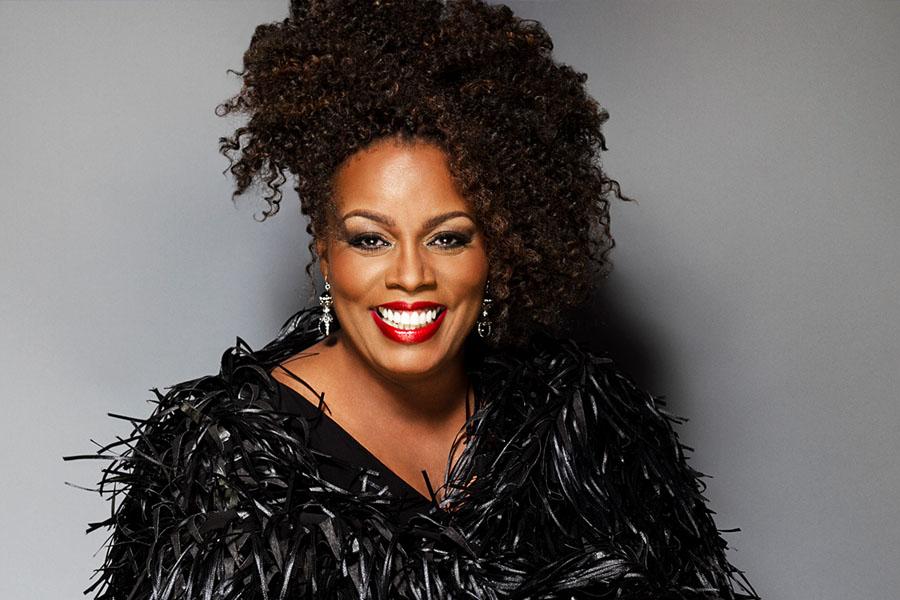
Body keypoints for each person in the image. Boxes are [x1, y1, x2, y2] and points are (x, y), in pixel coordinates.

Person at [81, 1, 757, 598]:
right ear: (325, 251)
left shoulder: (585, 428)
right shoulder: (220, 463)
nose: (410, 276)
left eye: (448, 238)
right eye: (371, 239)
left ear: (497, 250)